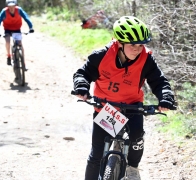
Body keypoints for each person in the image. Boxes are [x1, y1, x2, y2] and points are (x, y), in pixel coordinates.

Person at [72, 16, 176, 180]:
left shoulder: (146, 59)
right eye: (133, 44)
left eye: (141, 45)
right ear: (119, 43)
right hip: (106, 109)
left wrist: (166, 97)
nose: (137, 49)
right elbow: (82, 74)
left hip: (133, 107)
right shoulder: (101, 56)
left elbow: (159, 81)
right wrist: (82, 87)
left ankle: (133, 168)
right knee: (96, 156)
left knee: (136, 138)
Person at [0, 0, 34, 66]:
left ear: (15, 5)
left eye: (13, 6)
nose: (11, 8)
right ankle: (8, 56)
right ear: (7, 6)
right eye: (9, 6)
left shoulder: (19, 10)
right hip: (7, 29)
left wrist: (31, 27)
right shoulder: (4, 11)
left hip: (17, 29)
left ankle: (23, 62)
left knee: (20, 43)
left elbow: (26, 18)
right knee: (7, 41)